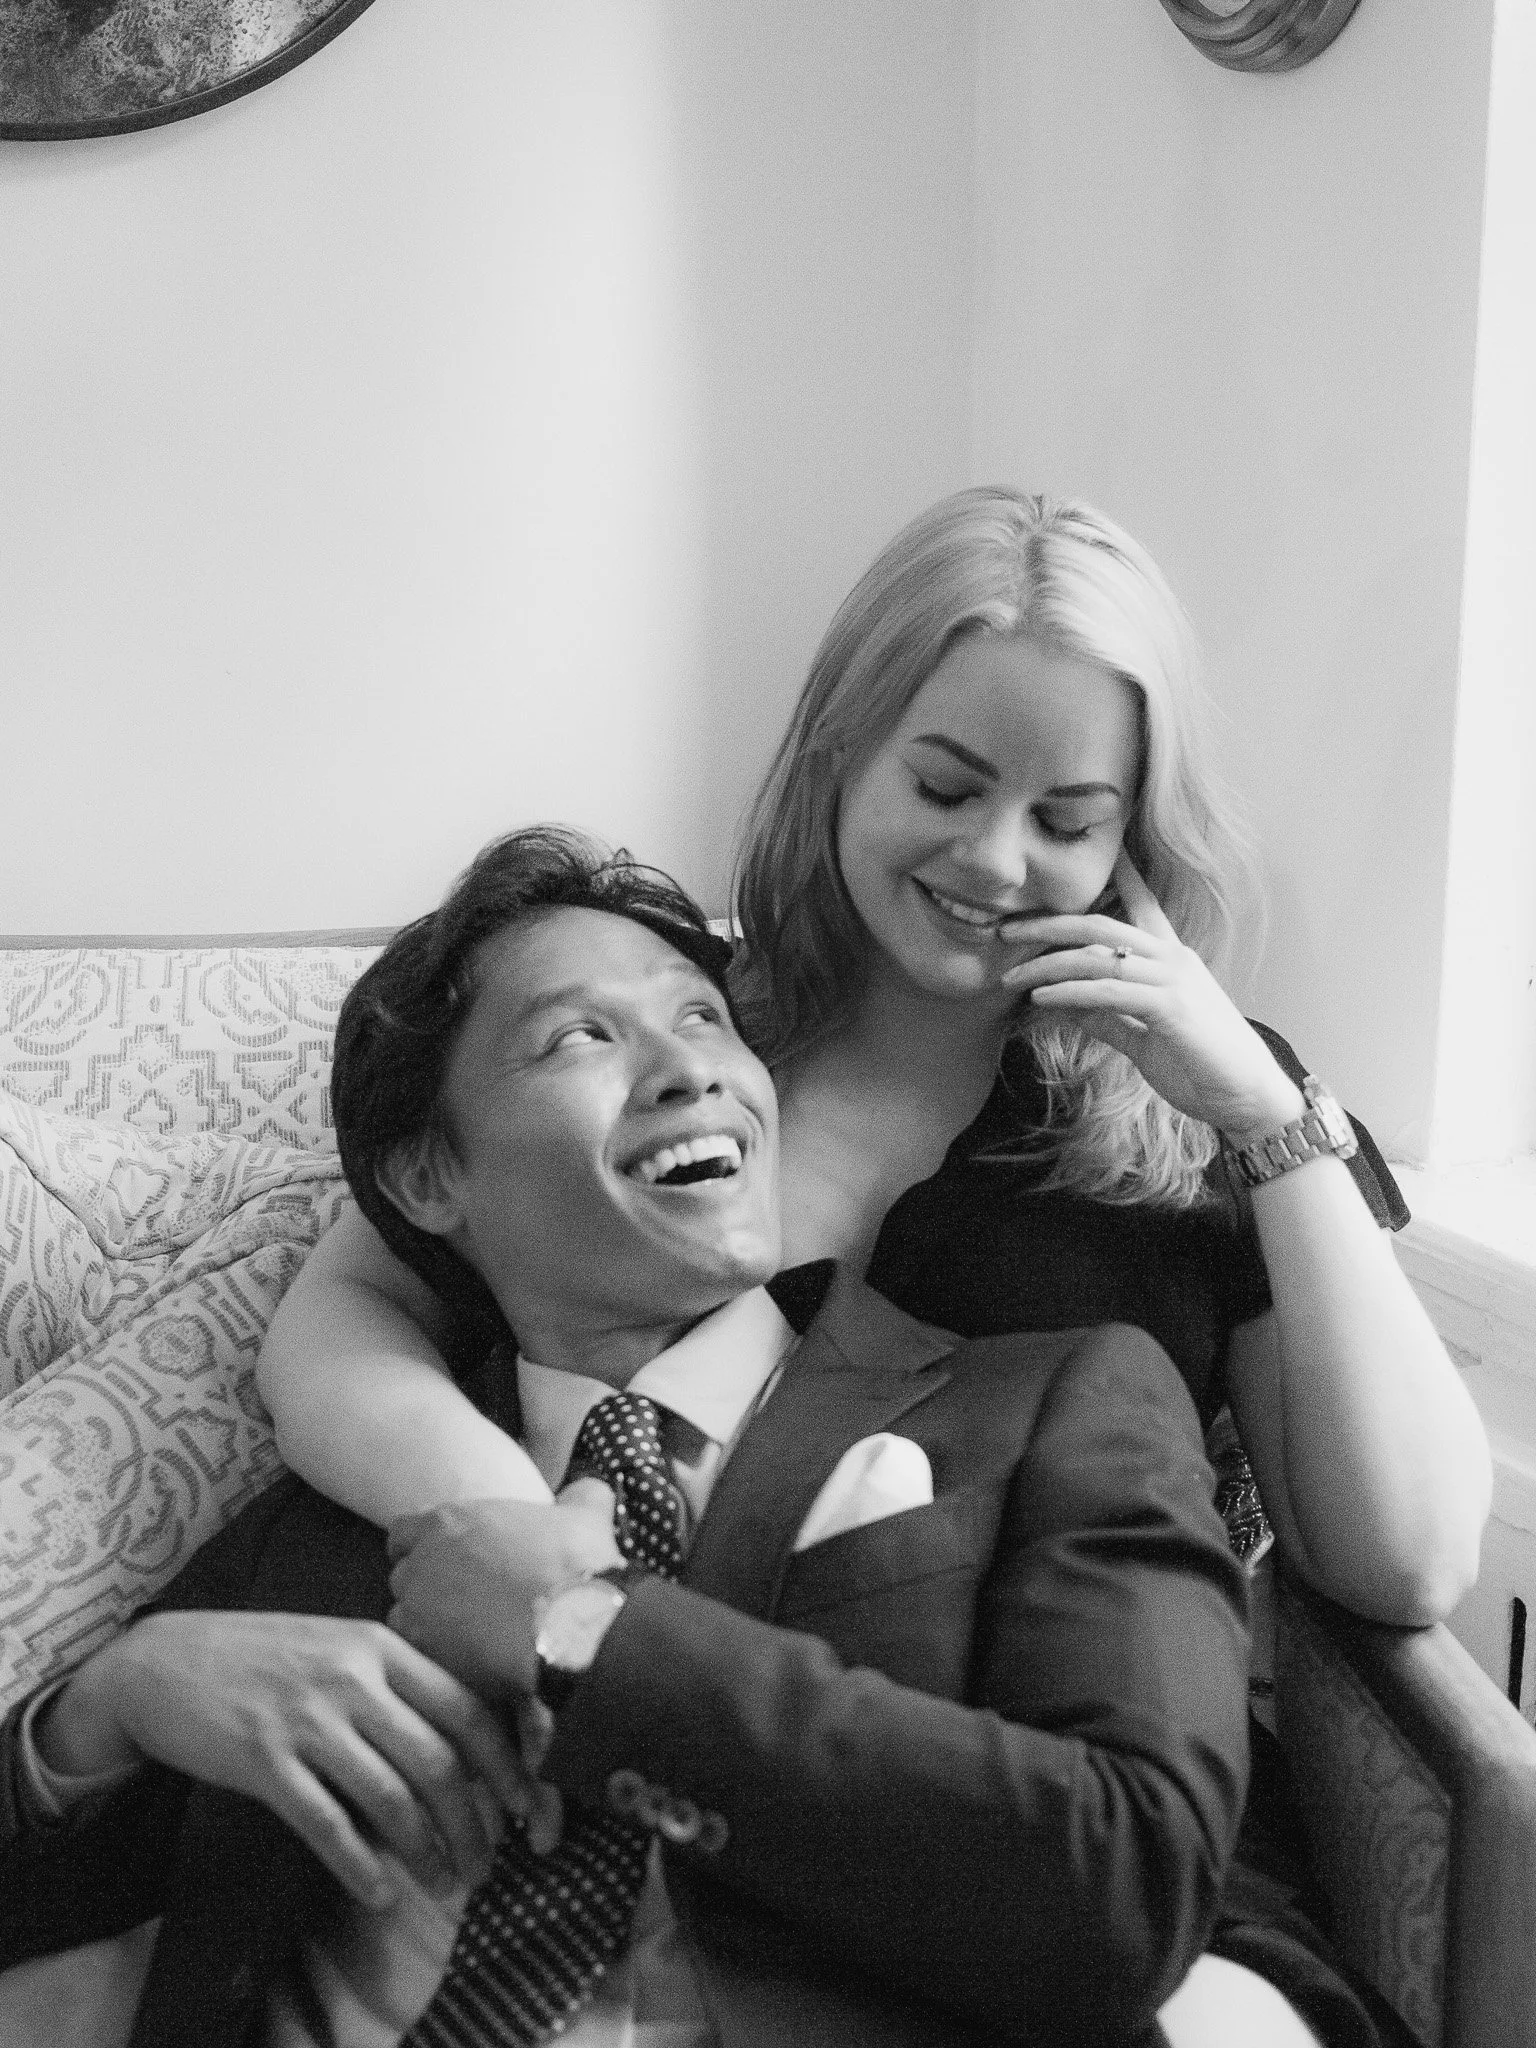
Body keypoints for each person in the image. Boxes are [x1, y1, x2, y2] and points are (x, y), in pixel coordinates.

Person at [255, 489, 1491, 2045]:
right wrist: (519, 1537)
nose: (997, 859)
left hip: (1060, 1833)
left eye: (1069, 819)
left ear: (1134, 839)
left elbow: (1407, 1558)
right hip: (690, 1792)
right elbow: (343, 1313)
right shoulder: (686, 1043)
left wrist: (1259, 1111)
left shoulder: (1201, 1118)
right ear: (840, 753)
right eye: (947, 785)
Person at [0, 829, 1252, 2048]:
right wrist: (111, 1703)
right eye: (580, 1036)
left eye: (704, 1017)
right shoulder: (326, 1514)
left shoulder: (1047, 1403)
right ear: (430, 1177)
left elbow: (1129, 1886)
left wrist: (588, 1635)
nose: (687, 1067)